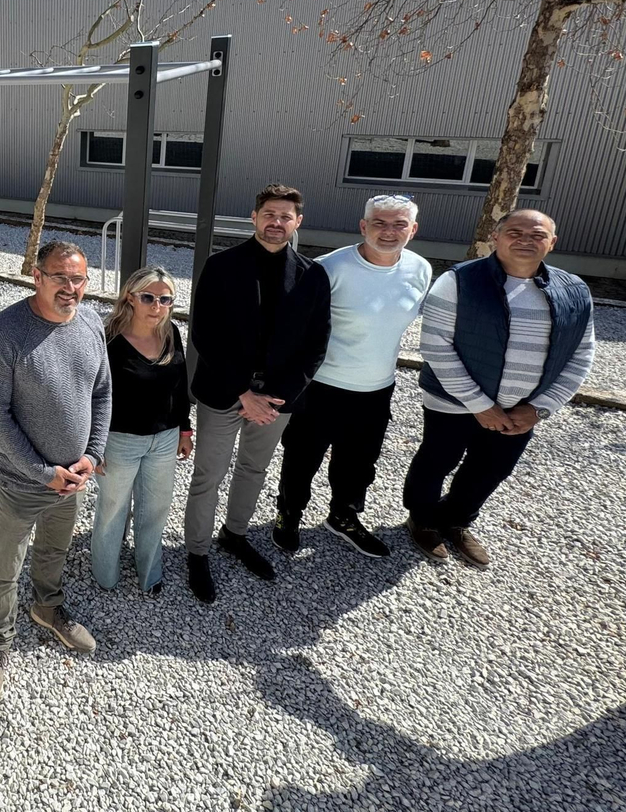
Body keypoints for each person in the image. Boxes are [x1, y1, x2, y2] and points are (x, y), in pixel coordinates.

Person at [403, 209, 594, 566]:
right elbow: (435, 345)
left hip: (521, 409)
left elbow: (581, 353)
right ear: (496, 237)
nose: (525, 240)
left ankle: (456, 519)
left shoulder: (574, 290)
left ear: (552, 242)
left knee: (492, 468)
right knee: (437, 461)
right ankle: (423, 519)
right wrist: (479, 403)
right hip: (453, 402)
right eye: (515, 232)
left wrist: (541, 407)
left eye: (537, 235)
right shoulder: (459, 281)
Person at [0, 240, 111, 704]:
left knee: (55, 551)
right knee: (5, 567)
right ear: (37, 276)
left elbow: (102, 393)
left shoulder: (90, 323)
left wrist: (91, 455)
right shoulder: (5, 333)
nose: (71, 288)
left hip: (72, 481)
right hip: (20, 483)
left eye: (79, 279)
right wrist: (41, 471)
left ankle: (47, 608)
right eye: (60, 277)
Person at [182, 184, 331, 603]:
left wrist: (278, 395)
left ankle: (235, 534)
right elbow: (204, 334)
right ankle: (197, 551)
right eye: (269, 214)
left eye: (285, 216)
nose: (276, 223)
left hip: (278, 399)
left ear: (298, 222)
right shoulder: (221, 265)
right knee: (208, 474)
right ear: (254, 217)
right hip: (223, 391)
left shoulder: (312, 275)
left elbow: (316, 343)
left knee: (253, 469)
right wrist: (243, 392)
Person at [273, 195, 432, 558]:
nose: (389, 232)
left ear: (413, 230)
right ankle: (289, 514)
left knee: (360, 462)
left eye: (399, 224)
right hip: (322, 386)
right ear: (363, 226)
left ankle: (343, 516)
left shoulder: (420, 269)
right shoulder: (329, 268)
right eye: (379, 223)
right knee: (302, 458)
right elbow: (295, 330)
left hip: (377, 388)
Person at [91, 266, 194, 594]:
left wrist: (185, 429)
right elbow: (90, 395)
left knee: (155, 509)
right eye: (148, 297)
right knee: (113, 509)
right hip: (119, 441)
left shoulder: (171, 333)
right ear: (130, 298)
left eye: (166, 299)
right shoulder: (108, 339)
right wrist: (92, 446)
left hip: (164, 439)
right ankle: (105, 573)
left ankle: (149, 572)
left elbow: (180, 385)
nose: (157, 306)